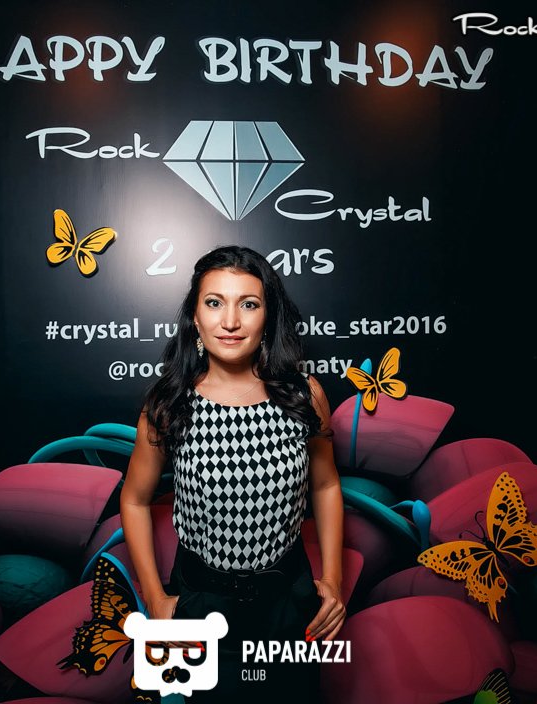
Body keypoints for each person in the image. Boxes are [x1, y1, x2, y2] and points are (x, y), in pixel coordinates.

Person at [120, 245, 345, 703]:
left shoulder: (304, 395)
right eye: (214, 302)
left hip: (288, 600)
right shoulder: (169, 404)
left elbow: (325, 485)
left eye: (249, 304)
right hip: (200, 602)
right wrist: (155, 598)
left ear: (268, 316)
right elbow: (135, 499)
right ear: (195, 317)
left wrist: (334, 580)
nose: (230, 321)